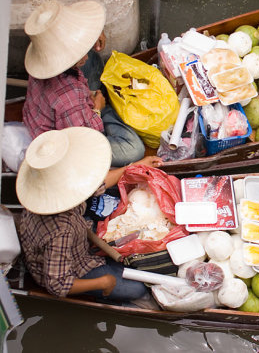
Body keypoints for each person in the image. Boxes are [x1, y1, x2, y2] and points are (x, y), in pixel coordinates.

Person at [16, 126, 162, 302]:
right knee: (136, 289)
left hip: (77, 234)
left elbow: (98, 184)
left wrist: (134, 166)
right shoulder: (62, 231)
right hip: (72, 266)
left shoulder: (40, 193)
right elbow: (58, 284)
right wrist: (102, 282)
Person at [21, 0, 145, 167]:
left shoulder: (45, 50)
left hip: (48, 112)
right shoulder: (68, 98)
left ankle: (98, 99)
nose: (84, 56)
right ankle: (106, 107)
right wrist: (98, 109)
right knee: (134, 149)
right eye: (78, 55)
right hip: (66, 139)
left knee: (92, 59)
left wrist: (94, 34)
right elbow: (85, 139)